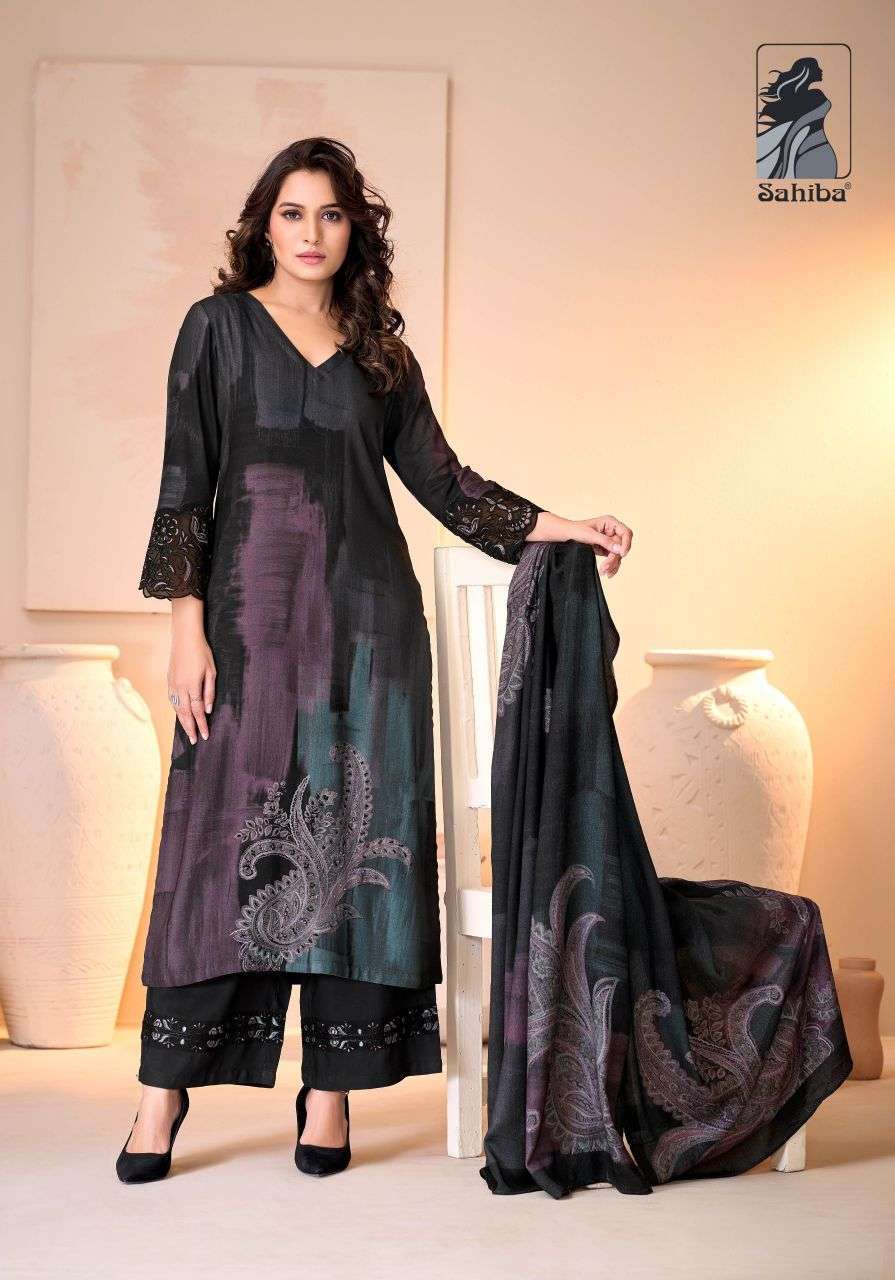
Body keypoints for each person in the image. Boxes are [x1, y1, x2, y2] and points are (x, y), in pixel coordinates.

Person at [117, 136, 633, 1183]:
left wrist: (563, 525)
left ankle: (331, 1090)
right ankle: (161, 1093)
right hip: (246, 634)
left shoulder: (378, 352)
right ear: (263, 225)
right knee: (214, 857)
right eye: (293, 212)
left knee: (357, 851)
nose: (311, 233)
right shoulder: (217, 328)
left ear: (355, 229)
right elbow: (185, 484)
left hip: (370, 638)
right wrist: (185, 628)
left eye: (331, 213)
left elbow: (446, 482)